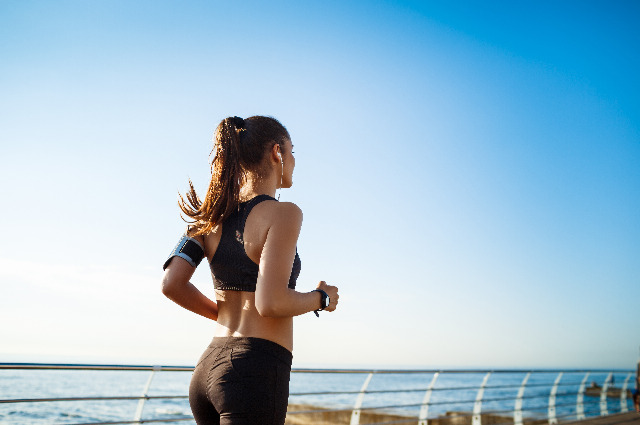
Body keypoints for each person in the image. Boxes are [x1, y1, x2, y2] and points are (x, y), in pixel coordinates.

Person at [161, 115, 339, 425]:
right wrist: (321, 298)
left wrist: (225, 314)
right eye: (292, 150)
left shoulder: (210, 215)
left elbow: (172, 284)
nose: (295, 160)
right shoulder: (284, 213)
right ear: (276, 152)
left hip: (207, 369)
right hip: (253, 371)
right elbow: (270, 303)